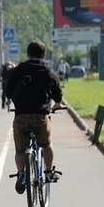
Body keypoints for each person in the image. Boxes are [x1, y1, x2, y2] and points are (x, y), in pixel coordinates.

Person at [6, 40, 64, 194]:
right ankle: (48, 172)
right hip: (41, 117)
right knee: (46, 144)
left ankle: (22, 174)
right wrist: (57, 104)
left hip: (21, 117)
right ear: (44, 54)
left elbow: (8, 90)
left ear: (28, 54)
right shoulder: (49, 72)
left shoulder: (18, 71)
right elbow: (58, 95)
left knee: (20, 150)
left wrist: (18, 102)